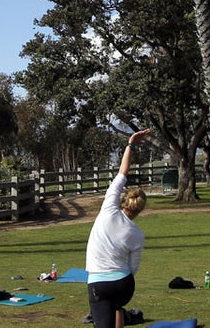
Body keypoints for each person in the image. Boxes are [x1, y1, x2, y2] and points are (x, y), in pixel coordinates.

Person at [85, 129, 152, 328]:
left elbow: (122, 174)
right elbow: (133, 269)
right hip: (124, 285)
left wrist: (130, 144)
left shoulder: (108, 209)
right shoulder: (138, 235)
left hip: (99, 284)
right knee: (116, 306)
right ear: (140, 210)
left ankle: (115, 310)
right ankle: (118, 310)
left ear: (124, 201)